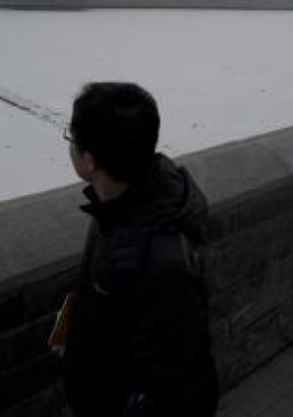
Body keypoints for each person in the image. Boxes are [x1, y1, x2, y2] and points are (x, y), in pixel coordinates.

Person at [59, 82, 219, 417]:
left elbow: (190, 392)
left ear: (89, 161)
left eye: (72, 139)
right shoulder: (116, 206)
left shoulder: (163, 260)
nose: (70, 147)